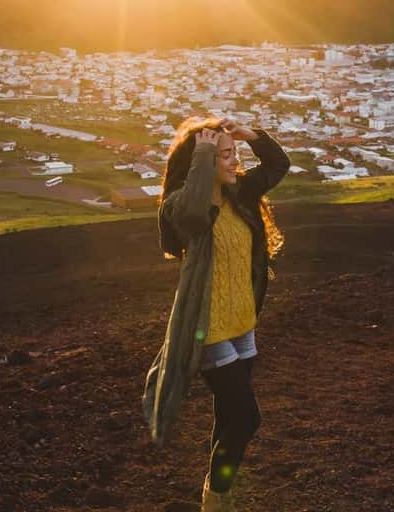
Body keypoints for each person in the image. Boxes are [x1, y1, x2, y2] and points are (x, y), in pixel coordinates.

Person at [142, 116, 290, 511]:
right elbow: (194, 215)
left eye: (234, 154)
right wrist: (204, 152)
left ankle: (218, 488)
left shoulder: (239, 193)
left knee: (228, 417)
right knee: (246, 419)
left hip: (243, 324)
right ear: (202, 163)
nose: (233, 162)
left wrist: (251, 136)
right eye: (224, 155)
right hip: (208, 331)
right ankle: (217, 496)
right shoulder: (184, 207)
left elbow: (278, 166)